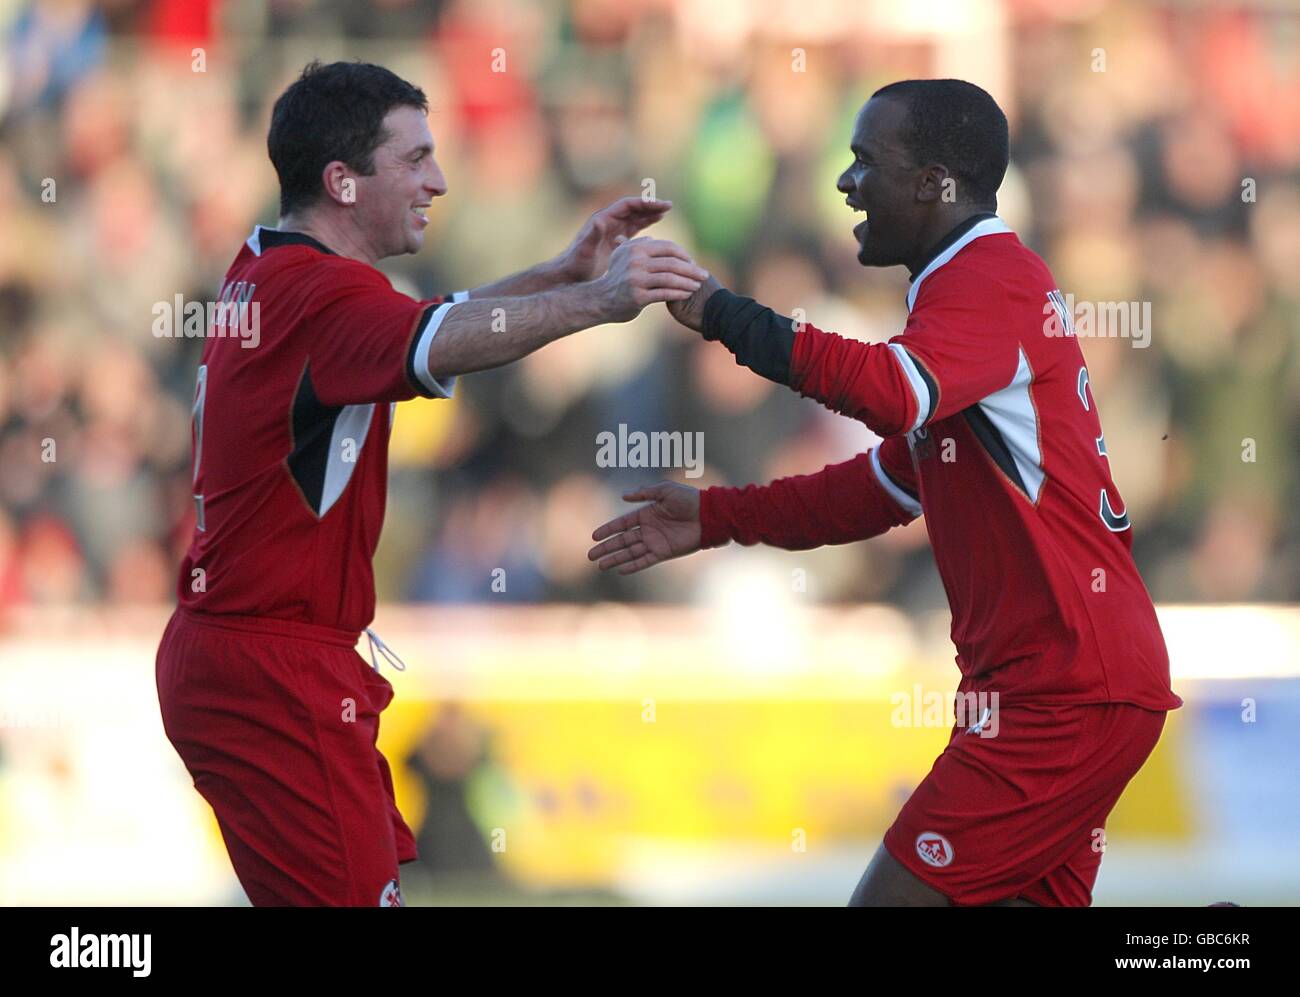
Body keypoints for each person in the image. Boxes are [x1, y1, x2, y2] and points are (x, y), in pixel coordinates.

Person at [588, 79, 1182, 907]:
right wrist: (717, 516)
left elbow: (887, 391)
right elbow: (877, 488)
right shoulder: (968, 292)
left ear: (933, 181)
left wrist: (720, 312)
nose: (846, 182)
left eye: (867, 160)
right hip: (1063, 683)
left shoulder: (988, 279)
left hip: (1063, 689)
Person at [155, 59, 707, 907]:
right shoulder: (320, 294)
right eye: (413, 159)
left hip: (250, 653)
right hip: (274, 666)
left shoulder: (272, 269)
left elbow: (434, 320)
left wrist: (561, 273)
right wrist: (601, 301)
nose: (438, 181)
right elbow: (444, 339)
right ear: (342, 181)